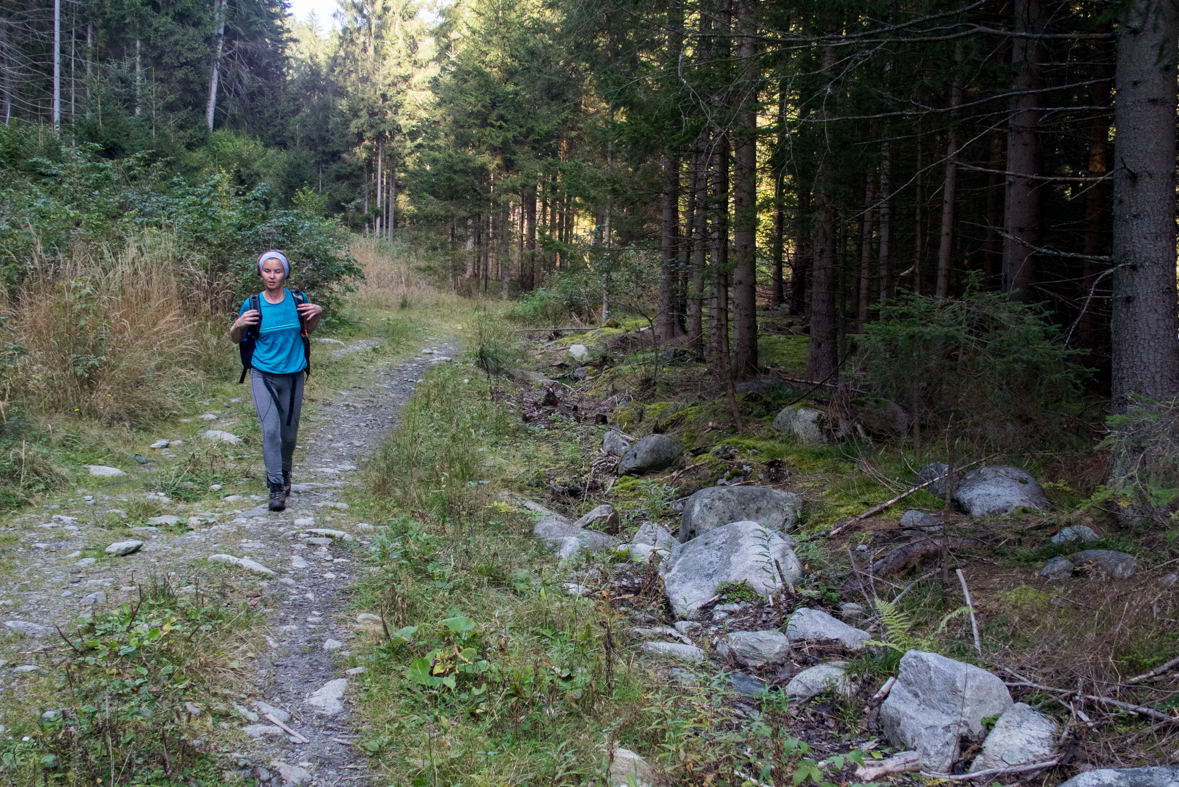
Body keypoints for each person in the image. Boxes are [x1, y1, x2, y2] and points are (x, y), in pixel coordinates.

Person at [230, 250, 323, 511]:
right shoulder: (252, 305)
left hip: (293, 375)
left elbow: (307, 330)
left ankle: (285, 473)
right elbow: (237, 338)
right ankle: (275, 487)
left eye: (277, 271)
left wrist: (316, 313)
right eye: (267, 271)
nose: (272, 276)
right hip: (263, 375)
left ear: (285, 273)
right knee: (270, 431)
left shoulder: (297, 300)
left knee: (289, 436)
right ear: (260, 272)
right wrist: (236, 325)